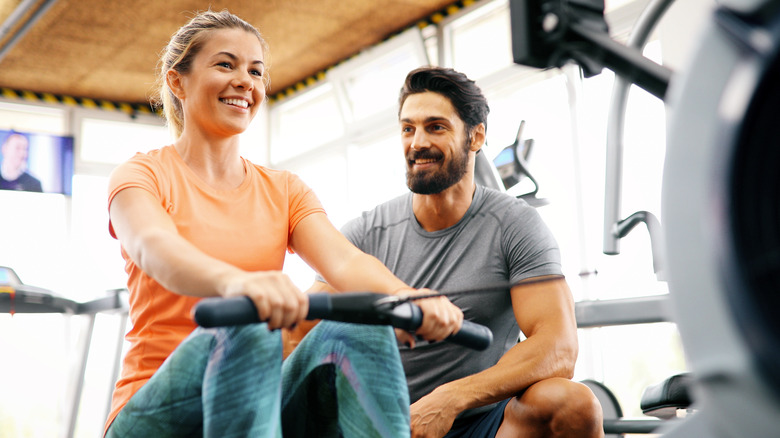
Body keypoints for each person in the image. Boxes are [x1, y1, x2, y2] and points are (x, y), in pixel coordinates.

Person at [103, 11, 463, 438]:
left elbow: (345, 262)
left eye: (256, 71)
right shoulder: (142, 175)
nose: (245, 81)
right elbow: (155, 248)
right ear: (177, 82)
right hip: (154, 413)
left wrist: (408, 299)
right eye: (225, 64)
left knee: (361, 328)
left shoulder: (284, 189)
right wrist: (238, 283)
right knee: (249, 324)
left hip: (255, 406)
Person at [307, 66, 604, 437]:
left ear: (476, 137)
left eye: (435, 127)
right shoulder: (366, 234)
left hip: (482, 420)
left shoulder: (515, 225)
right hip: (388, 424)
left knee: (573, 404)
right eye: (407, 128)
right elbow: (300, 335)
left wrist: (452, 398)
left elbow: (559, 347)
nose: (416, 142)